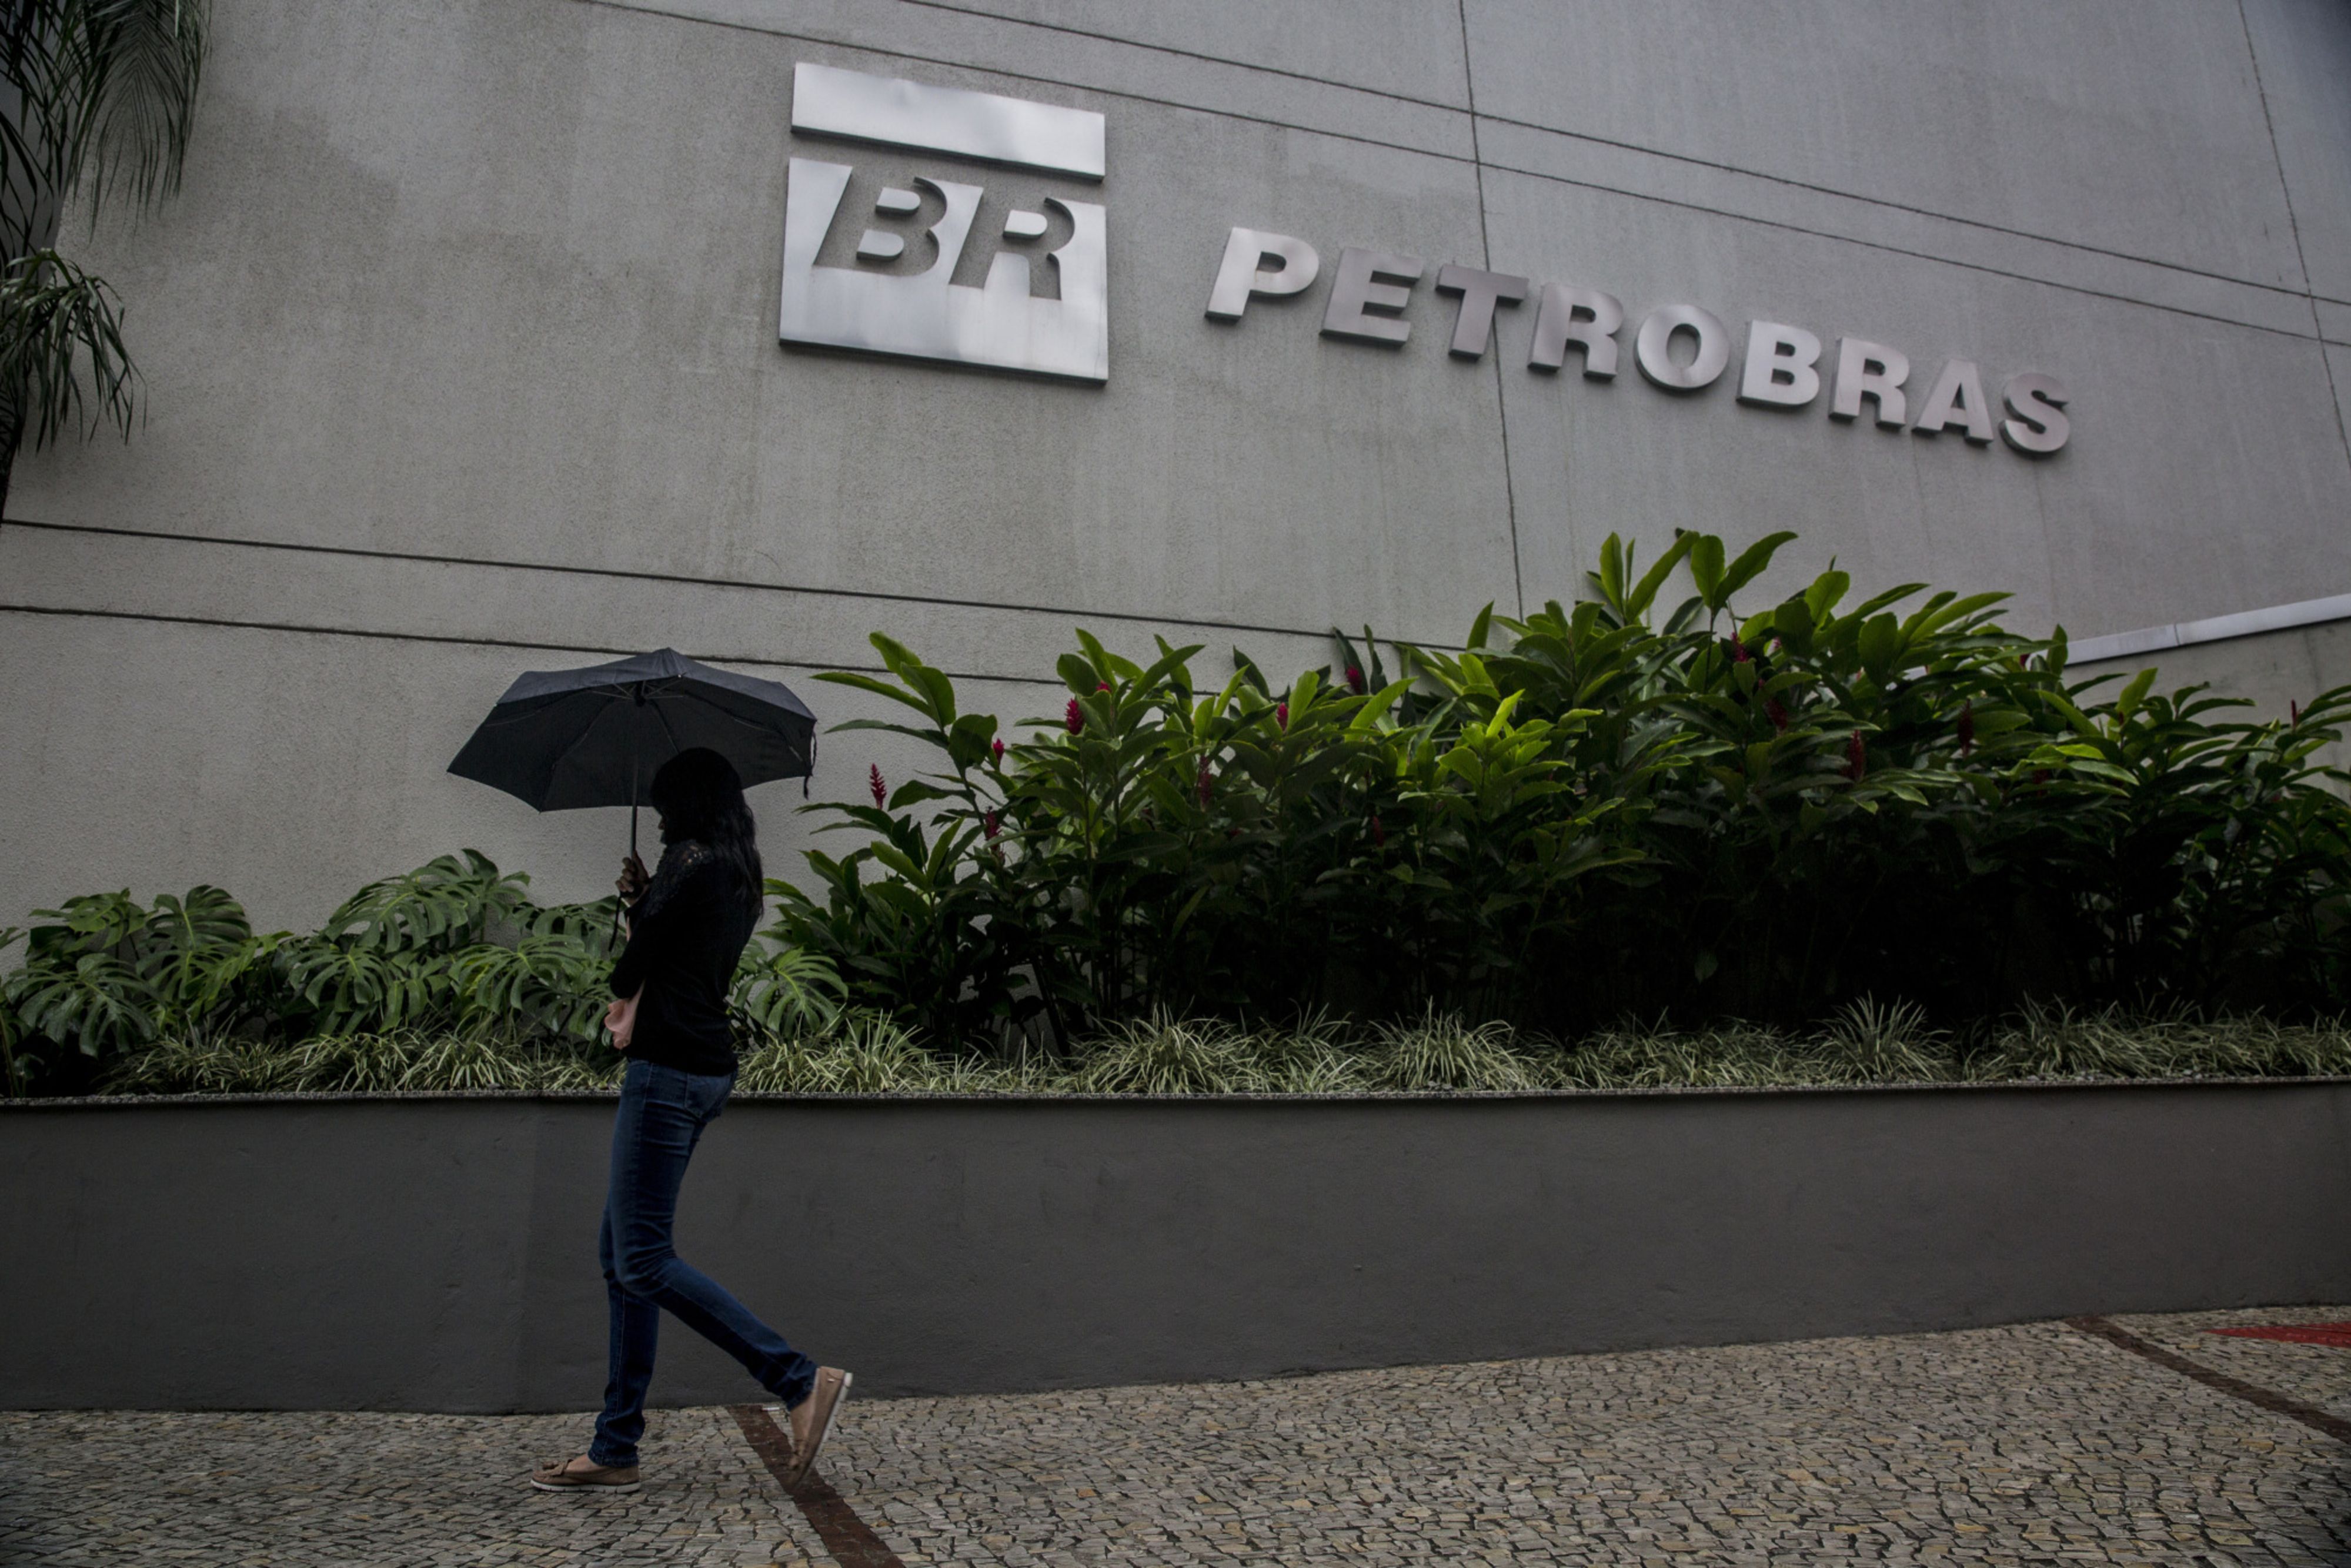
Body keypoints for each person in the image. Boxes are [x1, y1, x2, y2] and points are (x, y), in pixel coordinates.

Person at [533, 747, 851, 1493]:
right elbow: (679, 951)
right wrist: (649, 898)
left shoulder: (689, 857)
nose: (663, 811)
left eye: (665, 800)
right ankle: (615, 1447)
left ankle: (799, 1378)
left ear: (683, 805)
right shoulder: (736, 871)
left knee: (640, 1259)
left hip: (667, 1070)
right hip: (703, 1067)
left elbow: (628, 969)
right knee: (623, 1261)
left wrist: (644, 904)